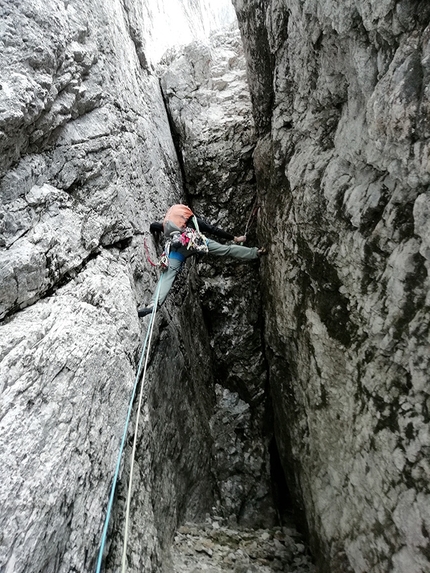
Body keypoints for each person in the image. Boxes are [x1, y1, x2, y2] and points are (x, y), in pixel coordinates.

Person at [138, 204, 266, 317]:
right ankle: (256, 252)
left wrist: (155, 234)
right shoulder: (193, 220)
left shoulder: (170, 225)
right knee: (226, 250)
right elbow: (213, 230)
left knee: (167, 276)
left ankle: (153, 305)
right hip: (195, 241)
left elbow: (153, 226)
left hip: (178, 248)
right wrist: (235, 238)